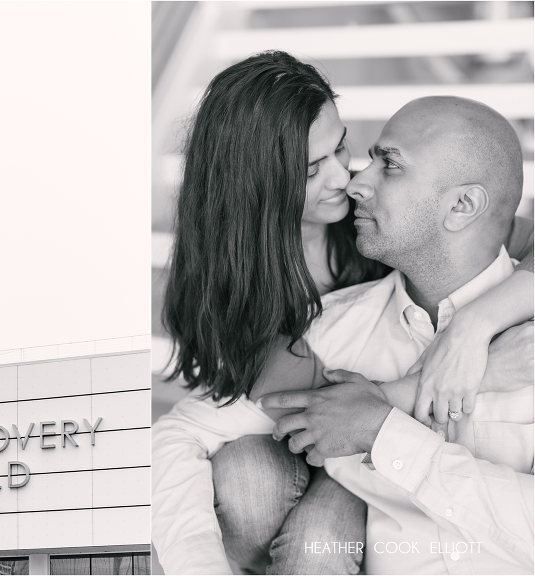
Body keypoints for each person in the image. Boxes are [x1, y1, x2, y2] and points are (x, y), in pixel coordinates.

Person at [153, 94, 534, 575]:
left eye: (388, 164)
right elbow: (182, 430)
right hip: (312, 494)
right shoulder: (325, 329)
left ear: (462, 204)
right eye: (313, 169)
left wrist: (384, 424)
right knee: (255, 484)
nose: (354, 182)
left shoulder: (522, 329)